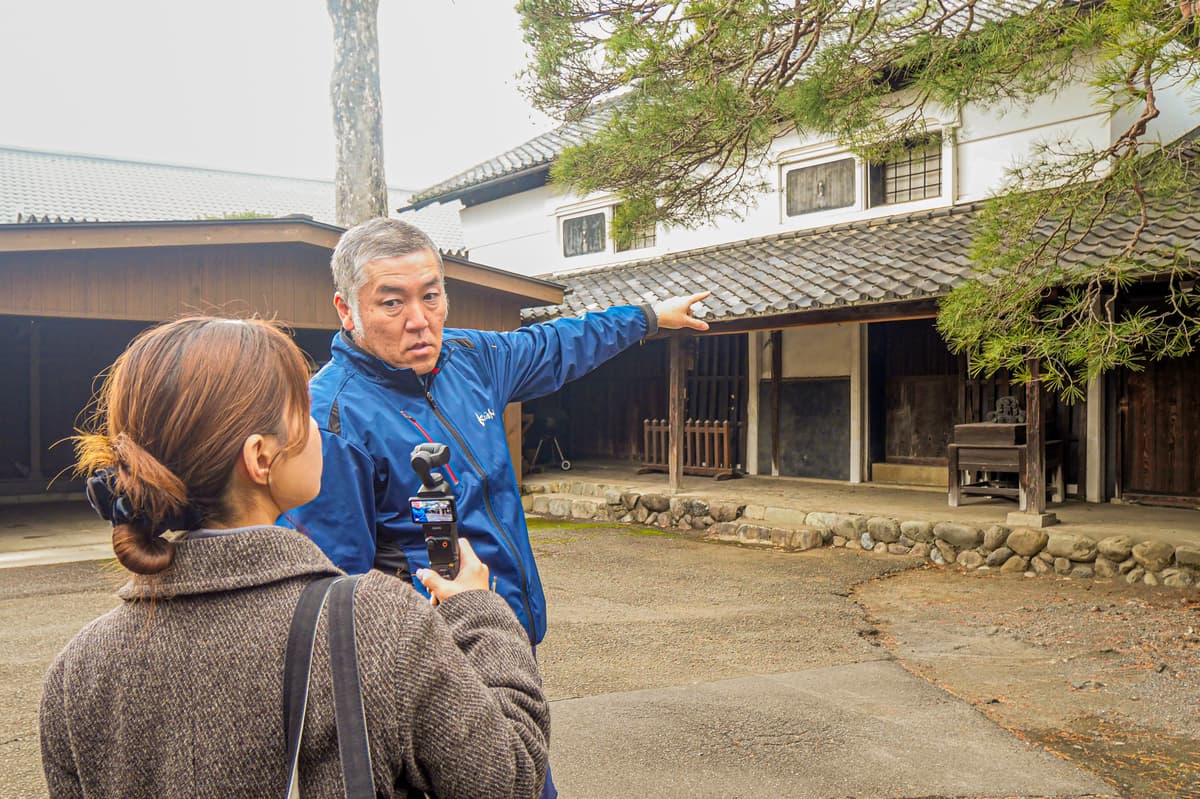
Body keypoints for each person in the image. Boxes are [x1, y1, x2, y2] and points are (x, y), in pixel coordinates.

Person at [40, 317, 549, 799]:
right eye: (302, 408)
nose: (318, 421)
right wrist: (480, 615)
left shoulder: (79, 666)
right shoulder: (376, 624)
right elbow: (511, 777)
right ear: (261, 457)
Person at [287, 217, 708, 798]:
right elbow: (335, 587)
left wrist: (647, 318)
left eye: (431, 296)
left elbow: (558, 343)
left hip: (506, 638)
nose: (420, 320)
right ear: (346, 309)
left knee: (526, 778)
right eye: (392, 303)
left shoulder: (469, 358)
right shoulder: (331, 417)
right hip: (425, 666)